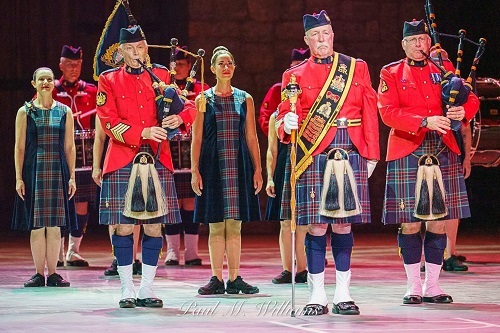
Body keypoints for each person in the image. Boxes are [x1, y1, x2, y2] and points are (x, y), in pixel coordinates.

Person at [276, 10, 380, 315]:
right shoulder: (293, 75)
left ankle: (343, 293)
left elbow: (370, 110)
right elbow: (284, 112)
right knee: (318, 226)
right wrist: (287, 123)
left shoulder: (356, 68)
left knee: (345, 226)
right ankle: (317, 295)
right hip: (314, 153)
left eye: (327, 34)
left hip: (351, 149)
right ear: (306, 40)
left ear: (332, 35)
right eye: (316, 36)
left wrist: (372, 152)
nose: (322, 40)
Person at [377, 19, 479, 305]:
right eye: (413, 41)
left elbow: (472, 100)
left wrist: (462, 111)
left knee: (439, 222)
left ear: (428, 42)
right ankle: (413, 286)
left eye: (423, 39)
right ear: (404, 44)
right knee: (409, 223)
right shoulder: (391, 72)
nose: (419, 45)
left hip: (443, 148)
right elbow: (387, 112)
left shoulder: (444, 70)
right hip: (407, 150)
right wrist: (423, 120)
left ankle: (432, 286)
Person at [96, 25, 196, 308]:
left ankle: (146, 290)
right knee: (124, 228)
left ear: (146, 48)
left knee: (154, 227)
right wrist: (144, 131)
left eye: (140, 47)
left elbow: (186, 107)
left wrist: (181, 120)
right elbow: (108, 122)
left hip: (157, 158)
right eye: (129, 49)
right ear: (121, 51)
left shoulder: (162, 76)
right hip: (122, 159)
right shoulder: (109, 80)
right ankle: (127, 288)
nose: (135, 53)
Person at [192, 46, 262, 295]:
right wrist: (194, 170)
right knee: (215, 225)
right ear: (212, 69)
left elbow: (251, 136)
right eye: (221, 63)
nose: (226, 67)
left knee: (235, 225)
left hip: (237, 164)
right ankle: (216, 278)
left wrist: (258, 169)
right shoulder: (203, 100)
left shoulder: (245, 98)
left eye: (230, 63)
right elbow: (197, 138)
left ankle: (234, 279)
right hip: (213, 165)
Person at [12, 67, 76, 287]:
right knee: (38, 226)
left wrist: (72, 176)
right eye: (41, 79)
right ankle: (39, 274)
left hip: (58, 170)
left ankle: (55, 273)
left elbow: (69, 146)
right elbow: (19, 147)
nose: (46, 82)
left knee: (56, 226)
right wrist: (19, 177)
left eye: (49, 79)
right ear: (34, 84)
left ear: (53, 83)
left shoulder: (65, 111)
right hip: (35, 169)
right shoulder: (25, 111)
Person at [259, 48, 310, 284]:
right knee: (285, 221)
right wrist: (270, 177)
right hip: (284, 168)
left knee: (304, 222)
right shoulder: (276, 117)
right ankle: (288, 269)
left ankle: (304, 269)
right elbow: (271, 149)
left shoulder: (312, 115)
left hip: (306, 165)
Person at [164, 46, 209, 266]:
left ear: (190, 66)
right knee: (172, 201)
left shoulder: (202, 89)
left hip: (193, 148)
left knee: (191, 200)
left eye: (182, 64)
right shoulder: (164, 89)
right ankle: (172, 251)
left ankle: (191, 251)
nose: (178, 68)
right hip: (170, 149)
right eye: (175, 65)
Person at [52, 45, 97, 267]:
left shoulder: (91, 90)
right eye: (69, 64)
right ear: (60, 65)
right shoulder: (50, 90)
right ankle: (57, 253)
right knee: (60, 202)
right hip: (60, 151)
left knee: (82, 202)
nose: (74, 68)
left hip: (86, 154)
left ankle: (73, 251)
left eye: (77, 64)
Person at [91, 115, 142, 276]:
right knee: (114, 216)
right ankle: (118, 258)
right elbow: (99, 138)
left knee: (137, 213)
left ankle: (133, 258)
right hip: (114, 162)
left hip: (138, 159)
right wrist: (96, 167)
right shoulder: (105, 107)